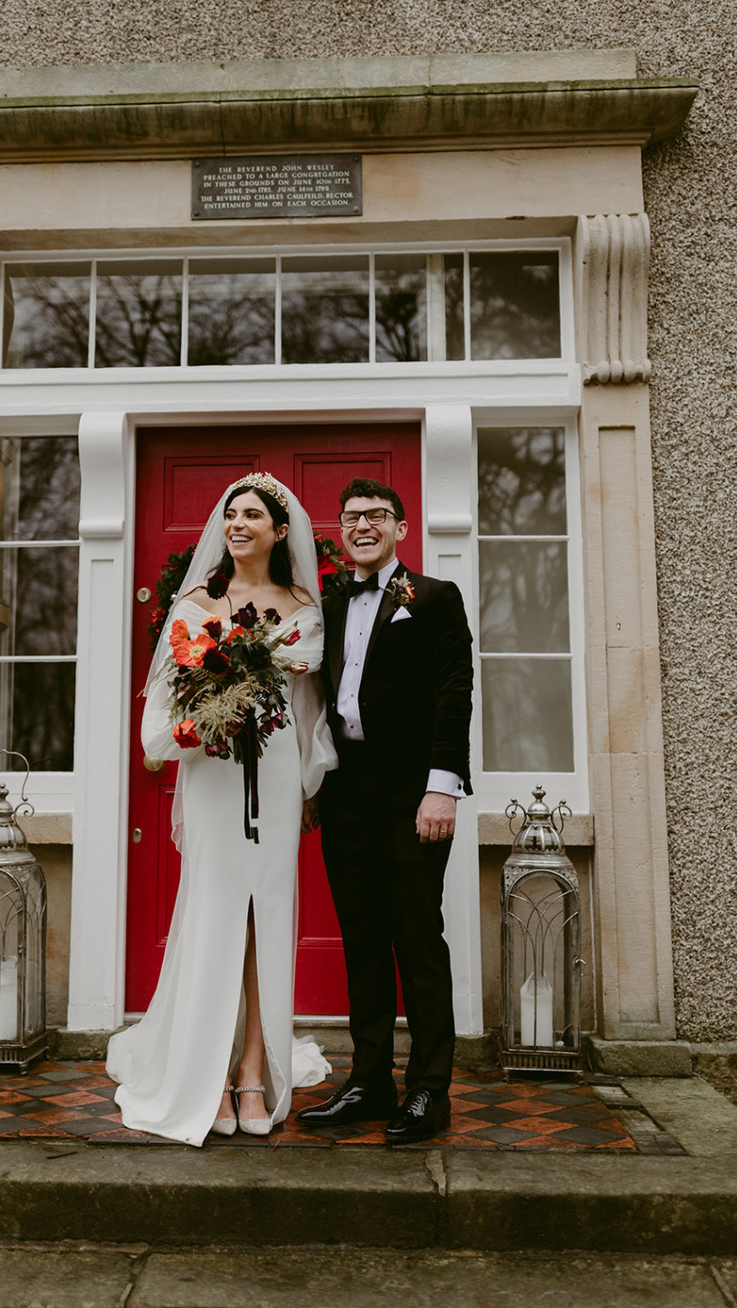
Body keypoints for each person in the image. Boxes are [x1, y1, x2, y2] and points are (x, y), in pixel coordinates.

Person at [107, 473, 336, 1146]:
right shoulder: (195, 605)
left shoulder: (301, 603)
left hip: (274, 768)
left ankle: (252, 1070)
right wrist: (210, 703)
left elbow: (306, 687)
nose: (237, 523)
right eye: (231, 513)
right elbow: (169, 706)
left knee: (266, 918)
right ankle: (201, 1073)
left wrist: (310, 781)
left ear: (280, 530)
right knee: (214, 915)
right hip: (213, 773)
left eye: (252, 514)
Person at [297, 478, 473, 1144]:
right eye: (352, 517)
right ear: (341, 530)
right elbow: (314, 704)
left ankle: (430, 1091)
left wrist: (442, 785)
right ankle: (370, 1081)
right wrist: (313, 786)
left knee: (417, 941)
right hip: (347, 797)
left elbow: (455, 692)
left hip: (412, 796)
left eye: (376, 516)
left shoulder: (431, 598)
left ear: (400, 526)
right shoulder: (331, 602)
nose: (363, 525)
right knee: (363, 941)